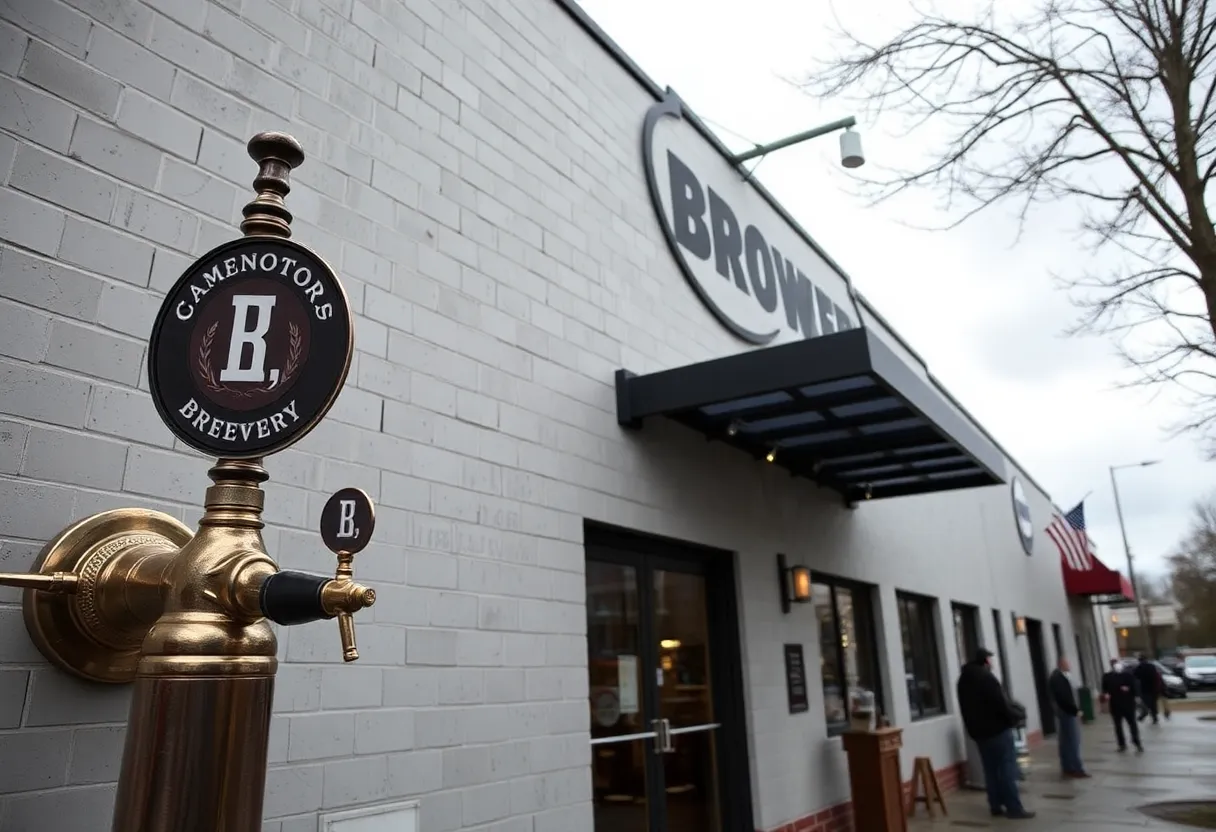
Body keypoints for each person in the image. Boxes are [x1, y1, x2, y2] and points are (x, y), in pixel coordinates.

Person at [957, 648, 1036, 819]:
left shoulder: (963, 680)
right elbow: (1000, 704)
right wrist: (1015, 716)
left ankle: (995, 805)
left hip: (978, 734)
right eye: (989, 660)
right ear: (985, 661)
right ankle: (1014, 807)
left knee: (990, 770)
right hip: (997, 730)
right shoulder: (987, 679)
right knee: (1006, 768)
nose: (991, 663)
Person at [1048, 656, 1090, 778]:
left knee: (1066, 741)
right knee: (1073, 741)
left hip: (1064, 712)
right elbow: (1064, 698)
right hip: (1067, 712)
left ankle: (1068, 766)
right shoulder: (1058, 678)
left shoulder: (1059, 677)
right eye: (1067, 663)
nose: (1069, 665)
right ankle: (1076, 768)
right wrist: (1075, 710)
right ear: (1061, 664)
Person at [1101, 658, 1143, 752]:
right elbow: (1104, 689)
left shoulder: (1128, 675)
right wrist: (1106, 694)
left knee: (1132, 724)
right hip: (1115, 705)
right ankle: (1122, 744)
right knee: (1118, 725)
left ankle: (1136, 742)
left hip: (1128, 704)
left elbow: (1135, 686)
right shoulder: (1107, 677)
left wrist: (1131, 692)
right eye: (1113, 664)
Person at [1133, 654, 1163, 725]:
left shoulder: (1139, 668)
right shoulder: (1152, 667)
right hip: (1154, 688)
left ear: (1140, 660)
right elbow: (1156, 676)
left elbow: (1135, 677)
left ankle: (1144, 714)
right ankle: (1154, 717)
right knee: (1153, 704)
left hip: (1145, 689)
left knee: (1146, 703)